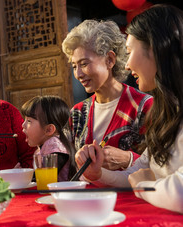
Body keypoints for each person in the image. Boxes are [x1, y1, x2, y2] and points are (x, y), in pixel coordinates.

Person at [75, 4, 183, 213]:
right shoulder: (166, 113)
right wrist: (98, 173)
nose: (126, 65)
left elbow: (177, 192)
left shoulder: (144, 105)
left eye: (130, 51)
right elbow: (136, 173)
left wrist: (144, 186)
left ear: (155, 49)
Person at [62, 19, 153, 171]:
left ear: (110, 60)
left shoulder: (144, 106)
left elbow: (163, 168)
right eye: (74, 66)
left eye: (84, 64)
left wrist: (129, 159)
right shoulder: (77, 113)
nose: (78, 74)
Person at [21, 95, 77, 181]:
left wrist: (20, 177)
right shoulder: (45, 146)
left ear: (49, 129)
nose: (23, 125)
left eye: (29, 121)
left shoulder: (54, 146)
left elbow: (44, 178)